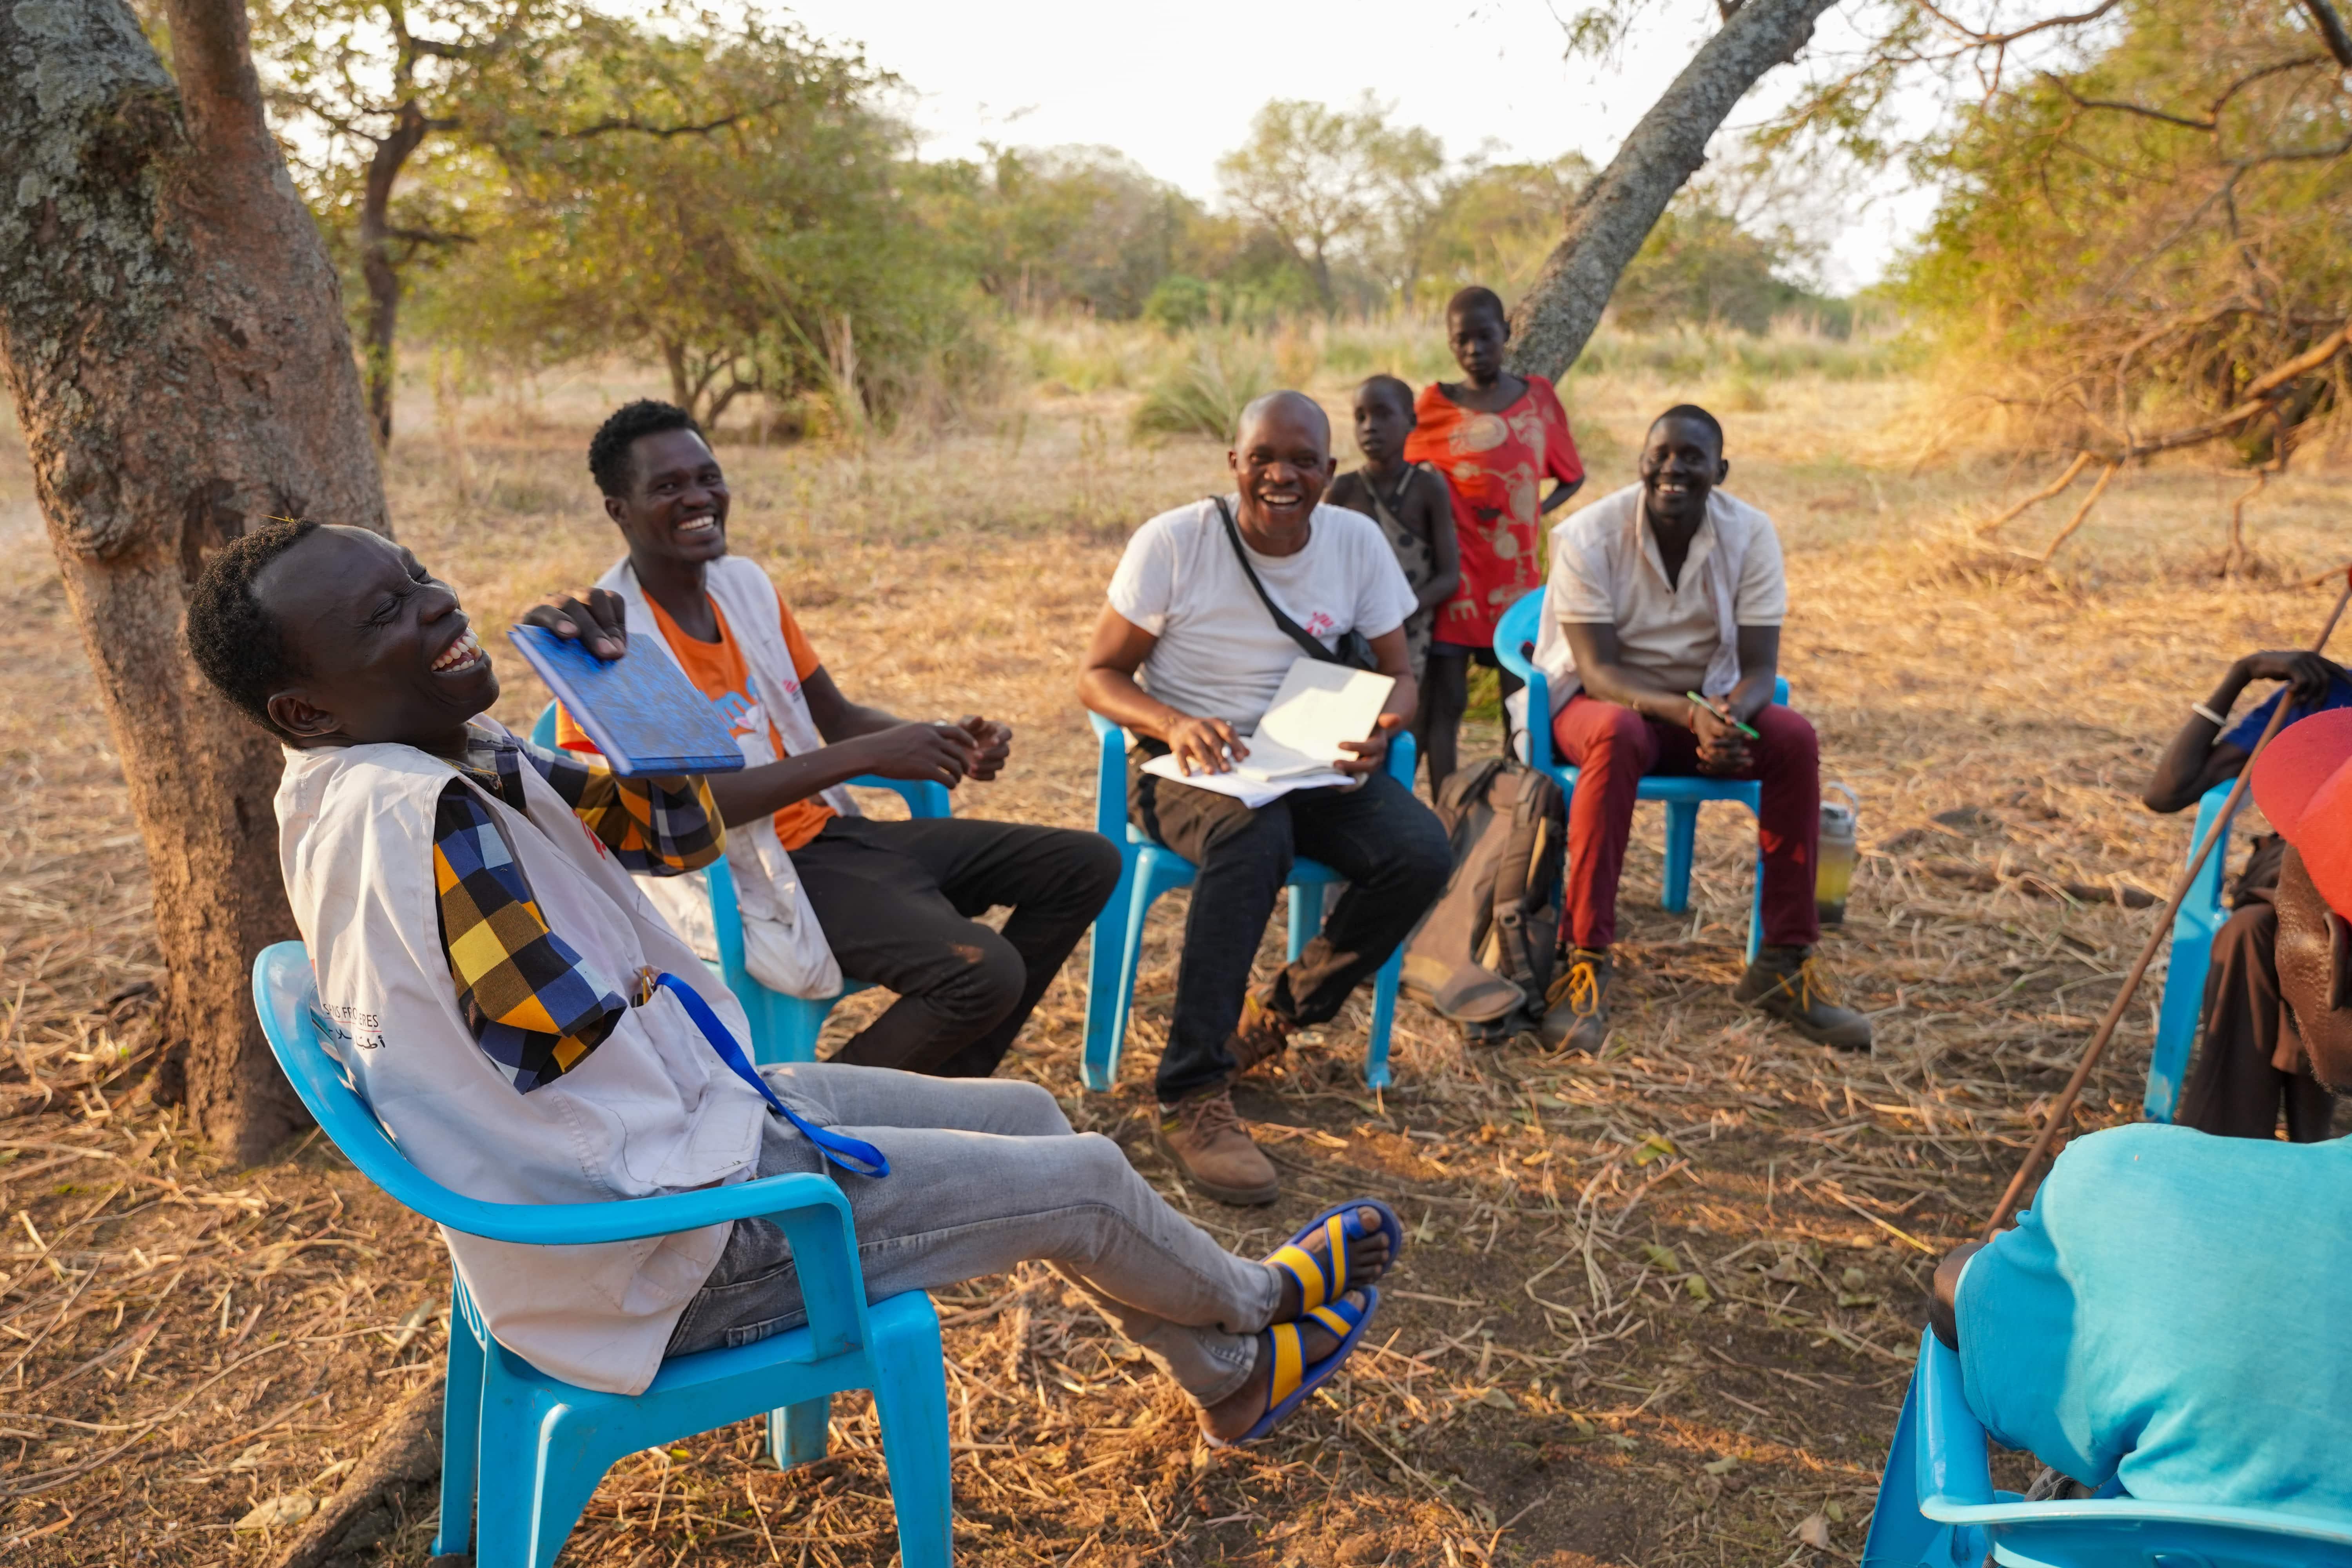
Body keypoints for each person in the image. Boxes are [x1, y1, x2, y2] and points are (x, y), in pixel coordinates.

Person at [185, 518, 1401, 1443]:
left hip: (666, 1145)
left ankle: (1227, 1382)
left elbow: (665, 824)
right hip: (673, 1241)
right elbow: (552, 1036)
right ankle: (1248, 1311)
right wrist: (778, 1099)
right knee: (1081, 1177)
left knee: (1033, 1115)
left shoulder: (429, 764)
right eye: (387, 615)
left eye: (414, 574)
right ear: (305, 704)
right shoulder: (427, 818)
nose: (437, 603)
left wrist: (624, 699)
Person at [559, 399, 1122, 1079]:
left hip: (829, 840)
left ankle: (938, 1095)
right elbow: (689, 810)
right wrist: (865, 757)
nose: (699, 499)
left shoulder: (744, 588)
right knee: (984, 973)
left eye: (708, 477)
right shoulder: (613, 641)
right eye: (669, 487)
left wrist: (945, 740)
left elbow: (840, 717)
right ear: (619, 510)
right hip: (748, 877)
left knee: (1085, 863)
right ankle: (815, 1117)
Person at [1927, 706, 2352, 1520]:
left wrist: (1962, 1278)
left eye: (2285, 918)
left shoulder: (2126, 1191)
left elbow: (1990, 1335)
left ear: (2335, 955)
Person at [1078, 391, 1454, 1205]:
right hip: (1189, 765)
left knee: (1421, 850)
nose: (1282, 475)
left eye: (1303, 461)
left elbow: (1400, 673)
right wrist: (1174, 722)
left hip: (1308, 755)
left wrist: (1384, 728)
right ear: (1235, 465)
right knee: (1254, 835)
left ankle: (1277, 1014)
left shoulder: (1355, 542)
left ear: (1330, 470)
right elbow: (1098, 675)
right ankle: (1189, 1093)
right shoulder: (1175, 541)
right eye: (1263, 459)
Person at [1531, 404, 1871, 1054]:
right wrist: (1691, 713)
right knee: (1618, 735)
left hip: (1702, 709)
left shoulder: (1752, 535)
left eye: (1693, 458)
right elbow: (1599, 673)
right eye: (1661, 454)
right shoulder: (1587, 535)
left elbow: (1760, 669)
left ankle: (1783, 964)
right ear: (1641, 462)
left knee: (1793, 739)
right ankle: (1583, 964)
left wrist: (1727, 720)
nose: (1674, 470)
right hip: (1603, 708)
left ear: (1721, 469)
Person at [2140, 648, 2352, 1141]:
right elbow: (2167, 793)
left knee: (2260, 935)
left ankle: (2228, 1142)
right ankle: (2302, 1137)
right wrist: (2240, 676)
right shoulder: (2325, 693)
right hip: (2298, 868)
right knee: (2251, 931)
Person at [1404, 285, 1585, 792]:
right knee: (1446, 703)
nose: (1474, 350)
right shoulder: (1434, 406)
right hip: (1454, 577)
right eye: (1462, 340)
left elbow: (1572, 475)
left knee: (1520, 700)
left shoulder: (1538, 400)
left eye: (1485, 337)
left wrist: (1531, 516)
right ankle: (1447, 808)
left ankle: (1515, 808)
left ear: (1507, 333)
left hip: (1516, 580)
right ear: (1450, 345)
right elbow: (1403, 473)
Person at [1326, 374, 1459, 783]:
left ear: (1411, 422)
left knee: (1400, 727)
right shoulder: (1343, 490)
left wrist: (1396, 610)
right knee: (1348, 729)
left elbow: (1449, 576)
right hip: (1349, 635)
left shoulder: (1428, 488)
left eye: (1383, 415)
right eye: (1361, 416)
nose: (1370, 427)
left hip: (1411, 635)